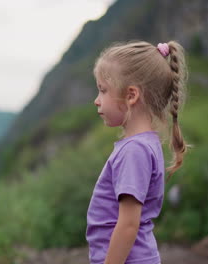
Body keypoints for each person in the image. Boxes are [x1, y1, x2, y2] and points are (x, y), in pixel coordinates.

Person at [86, 40, 192, 264]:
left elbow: (128, 224)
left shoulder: (134, 151)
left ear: (131, 95)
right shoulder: (143, 145)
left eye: (103, 90)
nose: (96, 101)